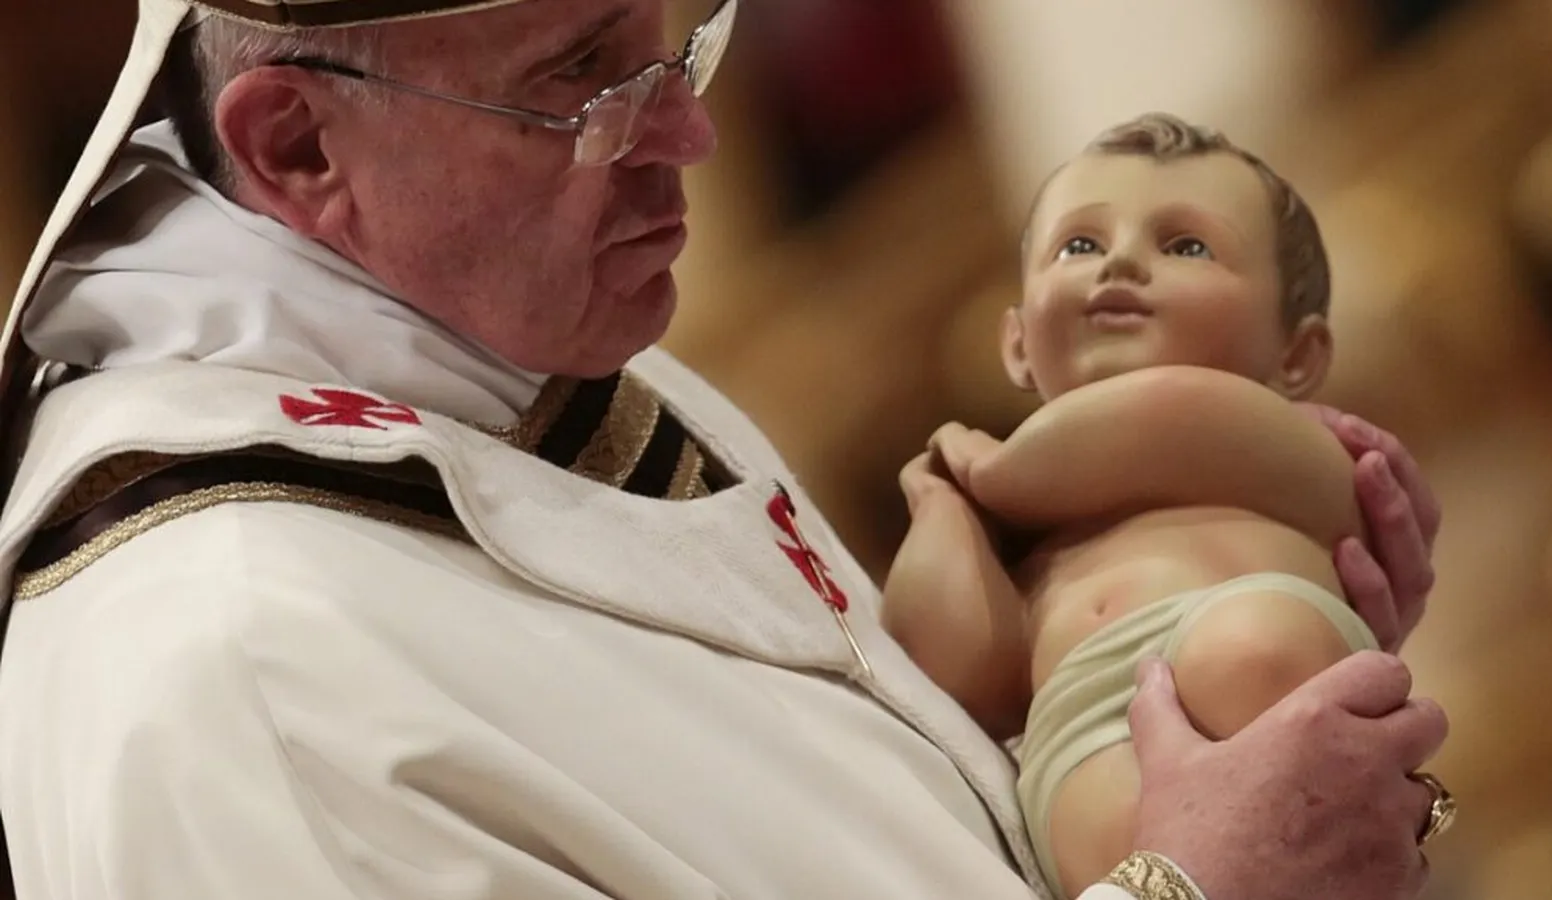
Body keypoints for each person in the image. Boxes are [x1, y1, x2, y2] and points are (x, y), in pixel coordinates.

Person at [0, 2, 1448, 898]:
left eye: (678, 40)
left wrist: (1152, 667)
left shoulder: (500, 361)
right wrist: (1193, 887)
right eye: (584, 79)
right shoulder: (237, 683)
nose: (687, 133)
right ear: (298, 147)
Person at [880, 112, 1457, 898]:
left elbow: (1151, 420)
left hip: (1249, 631)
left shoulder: (1268, 432)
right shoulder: (1022, 526)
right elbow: (954, 667)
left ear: (1296, 354)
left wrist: (987, 470)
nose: (1119, 260)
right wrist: (937, 505)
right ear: (1016, 343)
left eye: (1185, 246)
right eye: (1078, 246)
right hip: (1076, 731)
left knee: (1249, 655)